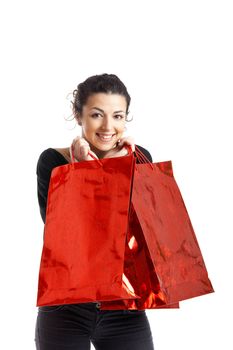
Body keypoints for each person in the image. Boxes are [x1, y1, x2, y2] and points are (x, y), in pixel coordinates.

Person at [34, 73, 155, 350]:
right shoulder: (54, 161)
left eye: (118, 116)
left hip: (125, 307)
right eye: (97, 115)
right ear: (79, 116)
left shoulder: (140, 158)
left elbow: (143, 235)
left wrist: (119, 167)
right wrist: (82, 170)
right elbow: (61, 236)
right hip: (65, 307)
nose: (108, 127)